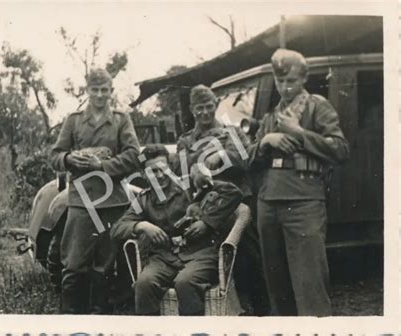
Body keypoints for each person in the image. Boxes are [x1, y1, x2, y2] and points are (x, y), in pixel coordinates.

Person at [247, 48, 350, 316]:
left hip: (303, 202)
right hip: (268, 203)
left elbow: (340, 149)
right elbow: (249, 157)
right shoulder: (271, 117)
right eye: (280, 81)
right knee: (277, 287)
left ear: (304, 78)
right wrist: (266, 142)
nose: (285, 87)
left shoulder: (317, 106)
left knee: (309, 286)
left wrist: (300, 133)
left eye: (291, 80)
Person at [110, 144, 244, 315]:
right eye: (153, 171)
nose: (159, 176)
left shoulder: (189, 186)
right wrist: (142, 225)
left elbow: (233, 193)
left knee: (185, 282)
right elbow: (117, 229)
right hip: (165, 258)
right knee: (144, 283)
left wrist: (207, 222)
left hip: (200, 254)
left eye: (162, 169)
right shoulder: (144, 200)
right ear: (144, 174)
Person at [172, 84, 270, 315]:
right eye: (199, 109)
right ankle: (223, 311)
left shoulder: (232, 133)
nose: (204, 113)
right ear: (192, 110)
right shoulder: (186, 141)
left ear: (215, 106)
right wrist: (198, 165)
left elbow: (250, 159)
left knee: (252, 259)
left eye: (208, 107)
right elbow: (178, 169)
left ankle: (262, 313)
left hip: (238, 207)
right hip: (206, 209)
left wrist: (223, 154)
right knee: (212, 262)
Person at [51, 68, 140, 314]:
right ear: (87, 91)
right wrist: (69, 159)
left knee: (105, 267)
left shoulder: (122, 120)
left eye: (104, 90)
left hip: (113, 202)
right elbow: (54, 156)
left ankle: (99, 319)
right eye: (95, 90)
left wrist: (103, 165)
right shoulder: (74, 120)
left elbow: (134, 156)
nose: (100, 95)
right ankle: (70, 320)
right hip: (82, 201)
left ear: (111, 92)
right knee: (73, 265)